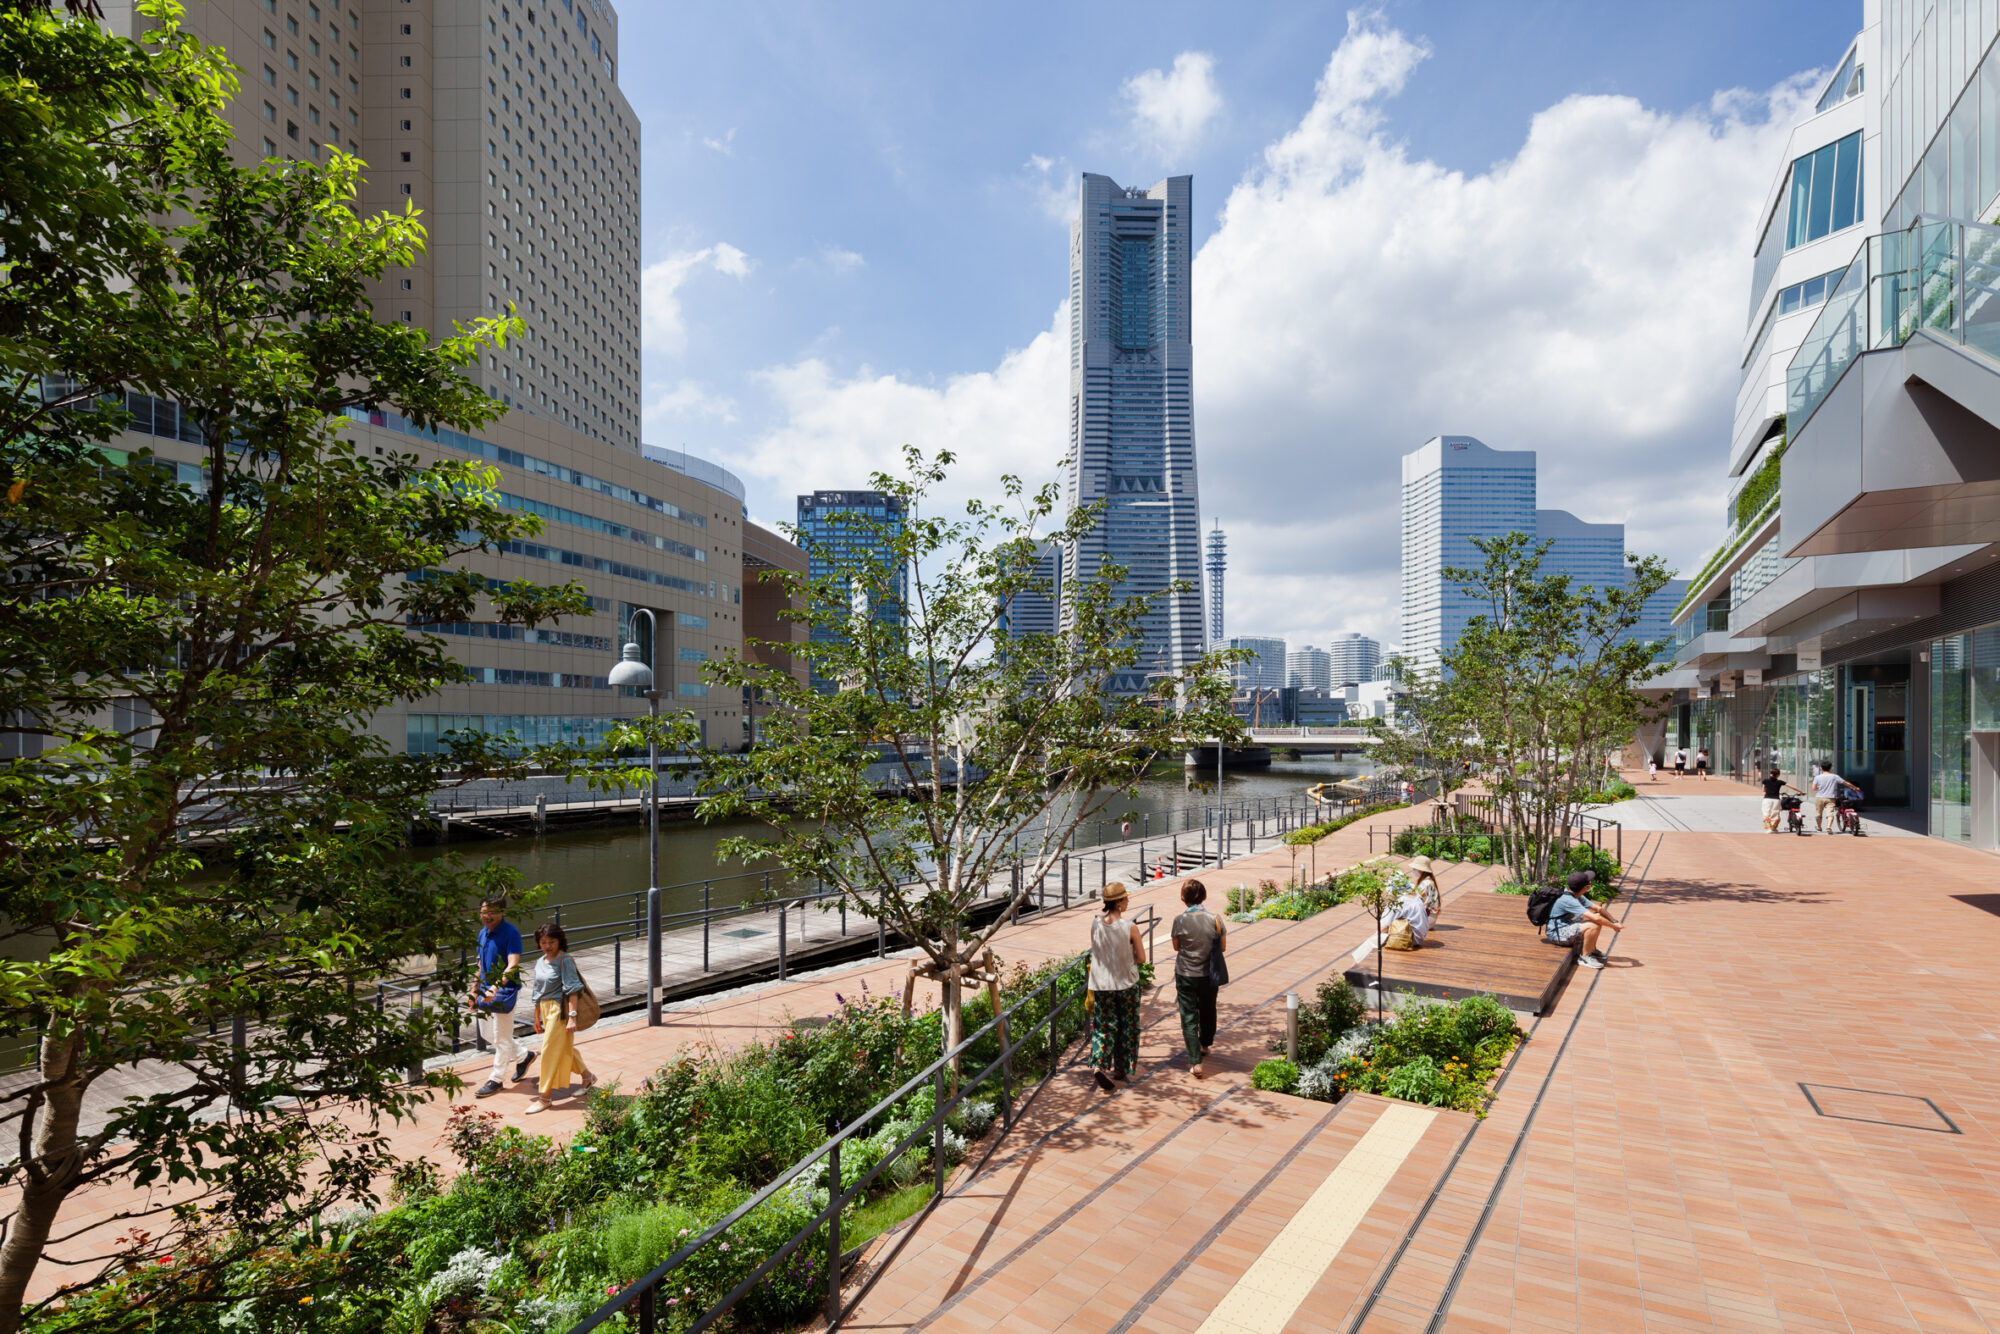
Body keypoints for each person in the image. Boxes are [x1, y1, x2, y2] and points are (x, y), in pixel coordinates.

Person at [525, 922, 594, 1114]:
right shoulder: (540, 961)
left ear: (559, 941)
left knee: (548, 1050)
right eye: (543, 942)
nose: (547, 946)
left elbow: (572, 990)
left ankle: (544, 1097)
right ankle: (587, 1077)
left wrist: (572, 1017)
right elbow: (537, 990)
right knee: (562, 1047)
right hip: (545, 1009)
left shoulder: (565, 960)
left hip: (560, 1010)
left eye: (551, 942)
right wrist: (536, 1016)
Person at [470, 897, 535, 1098]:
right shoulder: (483, 933)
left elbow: (513, 964)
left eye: (492, 912)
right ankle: (524, 1055)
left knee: (502, 1038)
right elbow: (480, 964)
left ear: (501, 913)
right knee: (487, 1034)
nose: (487, 916)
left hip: (505, 991)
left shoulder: (510, 933)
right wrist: (474, 989)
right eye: (484, 912)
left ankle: (496, 1079)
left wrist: (495, 988)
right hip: (485, 991)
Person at [1087, 882, 1146, 1092]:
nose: (1128, 901)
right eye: (1126, 898)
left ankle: (1098, 1063)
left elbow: (1097, 950)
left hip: (1102, 984)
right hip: (1126, 984)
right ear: (1119, 902)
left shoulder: (1096, 923)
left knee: (1103, 1026)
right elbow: (1142, 958)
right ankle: (1121, 1069)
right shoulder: (1130, 927)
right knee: (1127, 1026)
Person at [1169, 879, 1226, 1079]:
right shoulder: (1215, 919)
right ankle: (1205, 1043)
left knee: (1188, 1016)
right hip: (1209, 973)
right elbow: (1223, 947)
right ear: (1203, 896)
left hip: (1185, 973)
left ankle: (1195, 1061)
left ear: (1183, 898)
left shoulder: (1179, 920)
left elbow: (1176, 947)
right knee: (1208, 1008)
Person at [1544, 870, 1621, 968]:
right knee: (1593, 925)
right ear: (1587, 888)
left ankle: (1591, 949)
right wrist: (1613, 926)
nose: (1591, 881)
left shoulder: (1575, 894)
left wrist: (1614, 921)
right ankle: (1585, 957)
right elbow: (1596, 919)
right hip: (1557, 934)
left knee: (1597, 917)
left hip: (1566, 925)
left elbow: (1598, 909)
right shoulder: (1569, 900)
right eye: (1589, 881)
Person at [1759, 767, 1800, 833]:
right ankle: (1773, 828)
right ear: (1778, 775)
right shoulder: (1779, 782)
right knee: (1775, 814)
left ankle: (1769, 828)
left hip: (1767, 799)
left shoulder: (1765, 781)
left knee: (1766, 813)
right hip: (1776, 800)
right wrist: (1800, 791)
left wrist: (1770, 791)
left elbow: (1764, 790)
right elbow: (1792, 787)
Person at [1405, 855, 1443, 924]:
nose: (1413, 870)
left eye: (1414, 868)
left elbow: (1417, 900)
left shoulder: (1426, 883)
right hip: (1429, 917)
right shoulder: (1427, 881)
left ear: (1420, 870)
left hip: (1426, 918)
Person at [1809, 762, 1845, 832]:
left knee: (1818, 814)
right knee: (1830, 813)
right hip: (1830, 798)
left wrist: (1820, 788)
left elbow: (1814, 788)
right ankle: (1829, 827)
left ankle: (1819, 827)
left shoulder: (1817, 777)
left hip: (1819, 797)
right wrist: (1854, 787)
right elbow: (1845, 782)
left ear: (1821, 768)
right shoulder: (1835, 776)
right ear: (1830, 768)